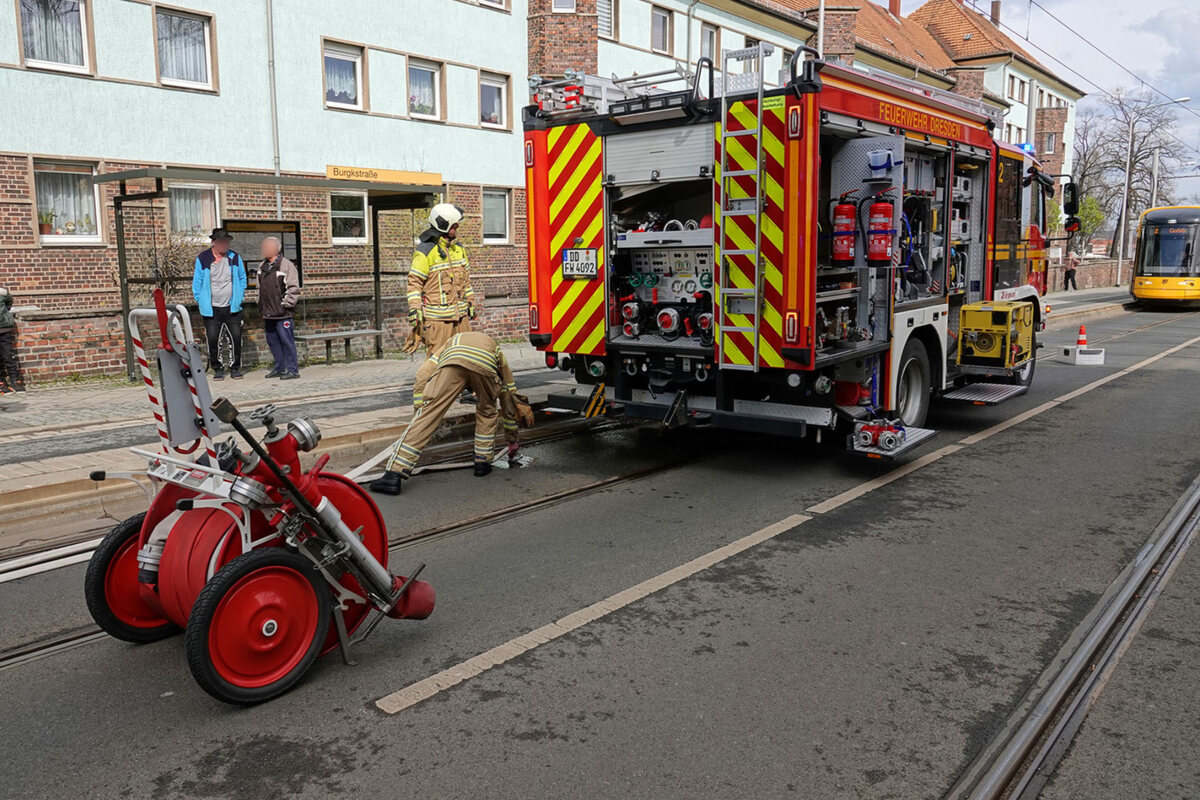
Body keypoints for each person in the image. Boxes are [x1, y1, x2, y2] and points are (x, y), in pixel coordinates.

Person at [369, 332, 531, 495]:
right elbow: (508, 398)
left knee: (429, 415)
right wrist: (512, 441)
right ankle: (482, 463)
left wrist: (421, 410)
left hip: (453, 364)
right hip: (486, 369)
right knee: (487, 411)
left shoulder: (449, 344)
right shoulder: (496, 350)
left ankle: (394, 475)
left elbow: (423, 374)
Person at [407, 203, 478, 361]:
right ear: (443, 225)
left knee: (467, 358)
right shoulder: (425, 251)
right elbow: (414, 283)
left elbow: (466, 281)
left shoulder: (458, 249)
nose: (457, 228)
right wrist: (414, 308)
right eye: (454, 225)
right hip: (438, 322)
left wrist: (471, 302)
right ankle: (434, 386)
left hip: (461, 318)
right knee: (438, 362)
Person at [192, 228, 247, 380]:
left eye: (227, 242)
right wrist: (200, 299)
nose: (225, 245)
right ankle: (218, 369)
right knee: (213, 339)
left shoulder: (234, 257)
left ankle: (235, 368)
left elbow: (242, 279)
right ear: (214, 243)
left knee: (236, 338)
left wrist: (239, 296)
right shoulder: (203, 258)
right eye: (222, 242)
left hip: (232, 307)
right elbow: (197, 282)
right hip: (211, 308)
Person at [257, 236, 302, 380]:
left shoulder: (286, 265)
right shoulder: (262, 266)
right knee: (273, 342)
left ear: (277, 248)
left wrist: (286, 305)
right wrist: (260, 303)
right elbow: (259, 288)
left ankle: (293, 370)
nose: (264, 249)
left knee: (287, 341)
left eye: (268, 246)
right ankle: (279, 367)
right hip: (268, 311)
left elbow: (293, 288)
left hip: (283, 313)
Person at [0, 287, 24, 394]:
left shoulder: (2, 292)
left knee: (8, 355)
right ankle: (1, 383)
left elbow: (9, 303)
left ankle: (15, 381)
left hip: (4, 327)